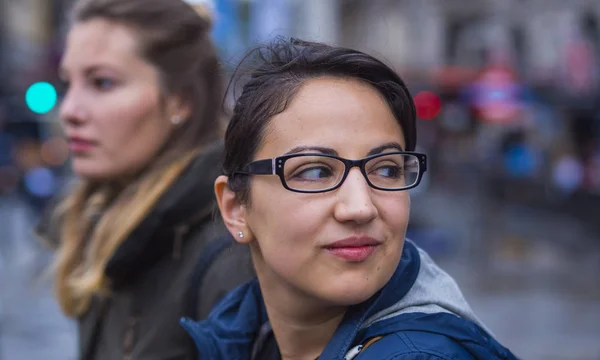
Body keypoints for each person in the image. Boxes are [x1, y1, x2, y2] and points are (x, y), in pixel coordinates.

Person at [181, 38, 519, 360]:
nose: (360, 207)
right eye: (315, 172)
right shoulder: (244, 334)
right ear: (236, 208)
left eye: (386, 170)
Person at [35, 0, 255, 359]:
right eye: (68, 83)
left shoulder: (227, 253)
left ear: (179, 102)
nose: (70, 110)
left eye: (102, 82)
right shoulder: (102, 221)